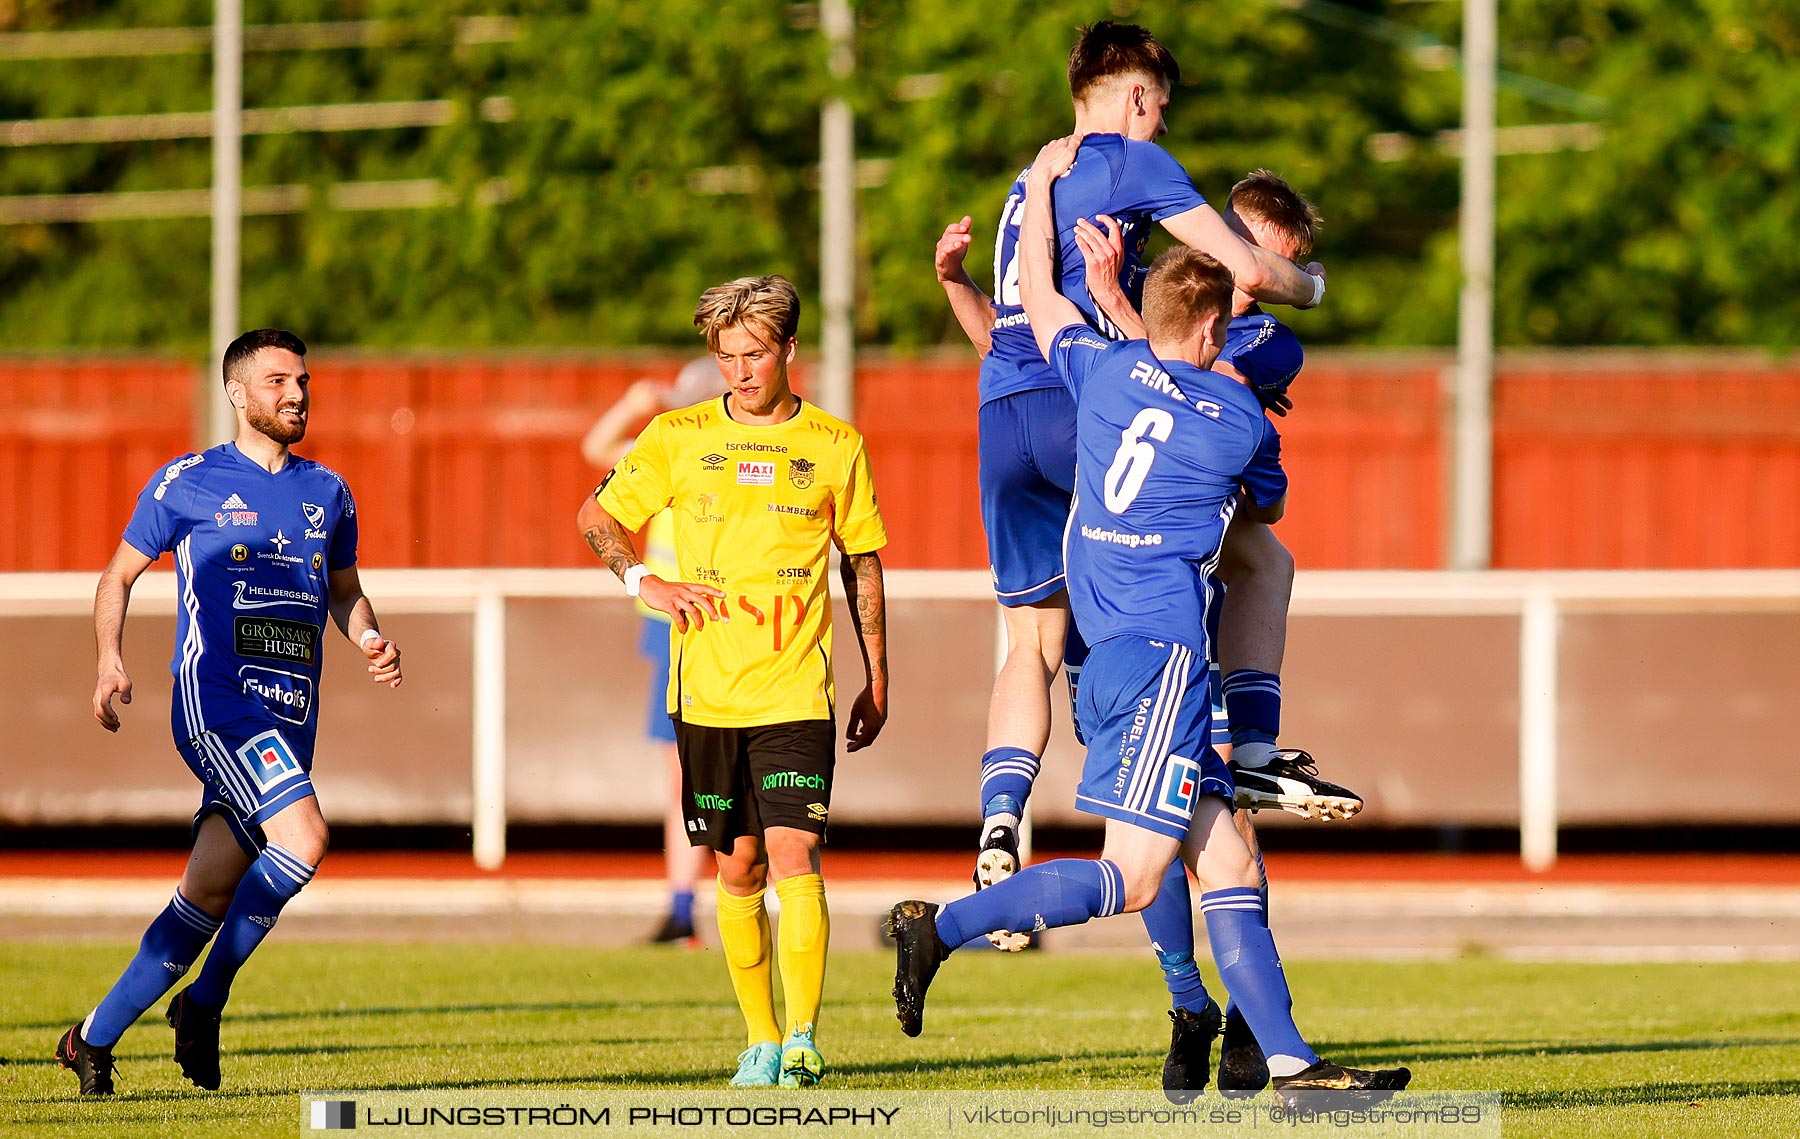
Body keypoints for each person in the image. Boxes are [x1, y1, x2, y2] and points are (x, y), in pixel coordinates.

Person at [888, 138, 1411, 1101]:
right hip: (1168, 654)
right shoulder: (1238, 412)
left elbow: (1039, 312)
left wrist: (1040, 201)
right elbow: (1262, 490)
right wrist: (1294, 292)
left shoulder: (1099, 371)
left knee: (1224, 850)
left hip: (1110, 636)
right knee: (1129, 874)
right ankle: (941, 927)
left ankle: (1291, 1060)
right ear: (1214, 314)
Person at [934, 21, 1331, 909]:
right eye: (1161, 111)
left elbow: (1022, 320)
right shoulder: (1136, 170)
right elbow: (1253, 281)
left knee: (1029, 641)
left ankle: (1003, 816)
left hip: (1005, 415)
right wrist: (1311, 284)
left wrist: (1003, 276)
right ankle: (1249, 748)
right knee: (1255, 557)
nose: (1163, 133)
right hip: (1085, 411)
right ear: (1139, 96)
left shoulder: (1029, 181)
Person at [1076, 171, 1363, 1096]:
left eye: (1265, 259)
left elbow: (1184, 370)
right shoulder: (1170, 296)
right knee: (1155, 818)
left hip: (1187, 583)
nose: (1244, 269)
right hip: (1123, 573)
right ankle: (1189, 998)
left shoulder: (1266, 338)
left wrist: (1116, 302)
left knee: (1219, 816)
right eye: (1241, 245)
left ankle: (1247, 1024)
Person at [57, 329, 402, 1096]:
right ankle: (204, 1004)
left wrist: (371, 635)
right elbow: (117, 576)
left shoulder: (329, 491)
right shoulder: (187, 482)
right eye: (279, 380)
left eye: (304, 380)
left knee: (208, 894)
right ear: (239, 395)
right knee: (305, 837)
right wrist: (110, 660)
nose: (297, 393)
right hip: (217, 704)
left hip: (290, 718)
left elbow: (344, 591)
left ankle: (90, 1037)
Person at [576, 276, 889, 1090]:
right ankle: (758, 1036)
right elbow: (597, 516)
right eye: (727, 356)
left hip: (796, 693)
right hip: (707, 694)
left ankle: (803, 1038)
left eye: (754, 354)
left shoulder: (835, 445)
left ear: (789, 350)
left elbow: (863, 563)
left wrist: (877, 676)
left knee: (796, 852)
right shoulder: (676, 435)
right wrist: (641, 578)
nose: (741, 371)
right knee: (738, 866)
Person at [581, 360, 728, 946]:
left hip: (721, 622)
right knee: (681, 776)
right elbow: (597, 447)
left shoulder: (728, 457)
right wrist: (636, 400)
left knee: (727, 772)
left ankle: (722, 899)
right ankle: (683, 906)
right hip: (672, 624)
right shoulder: (667, 453)